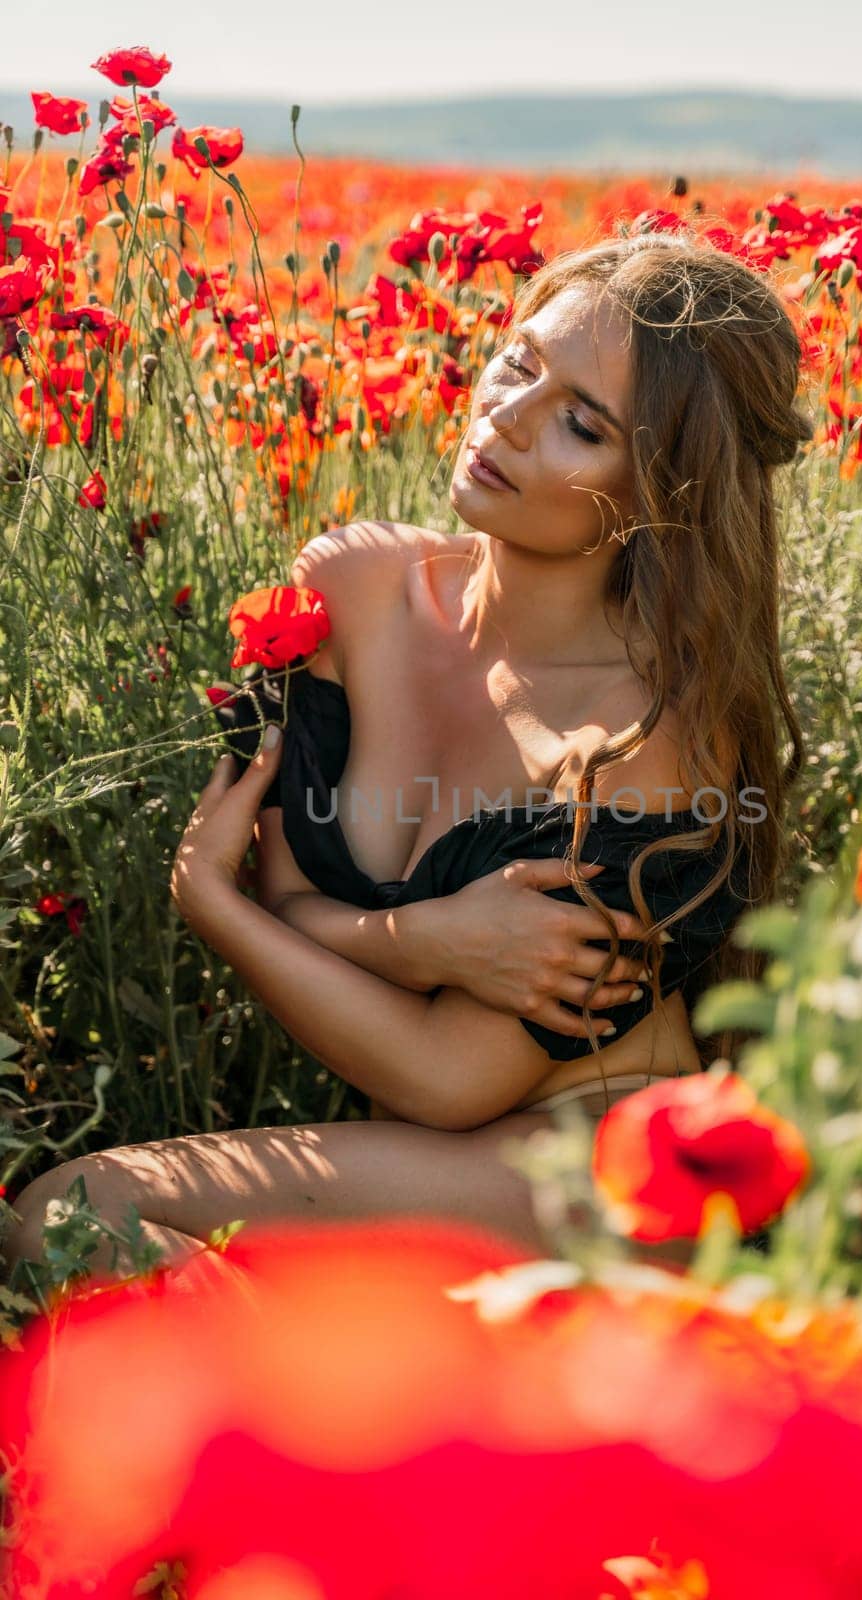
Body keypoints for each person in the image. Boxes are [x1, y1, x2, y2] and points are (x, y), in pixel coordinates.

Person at [2, 228, 811, 1283]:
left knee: (75, 1213)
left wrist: (215, 902)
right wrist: (423, 937)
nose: (507, 418)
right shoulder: (350, 589)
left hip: (581, 1191)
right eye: (519, 362)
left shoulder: (649, 737)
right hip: (415, 1167)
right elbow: (297, 901)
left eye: (579, 423)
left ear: (661, 488)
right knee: (79, 1225)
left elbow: (447, 1077)